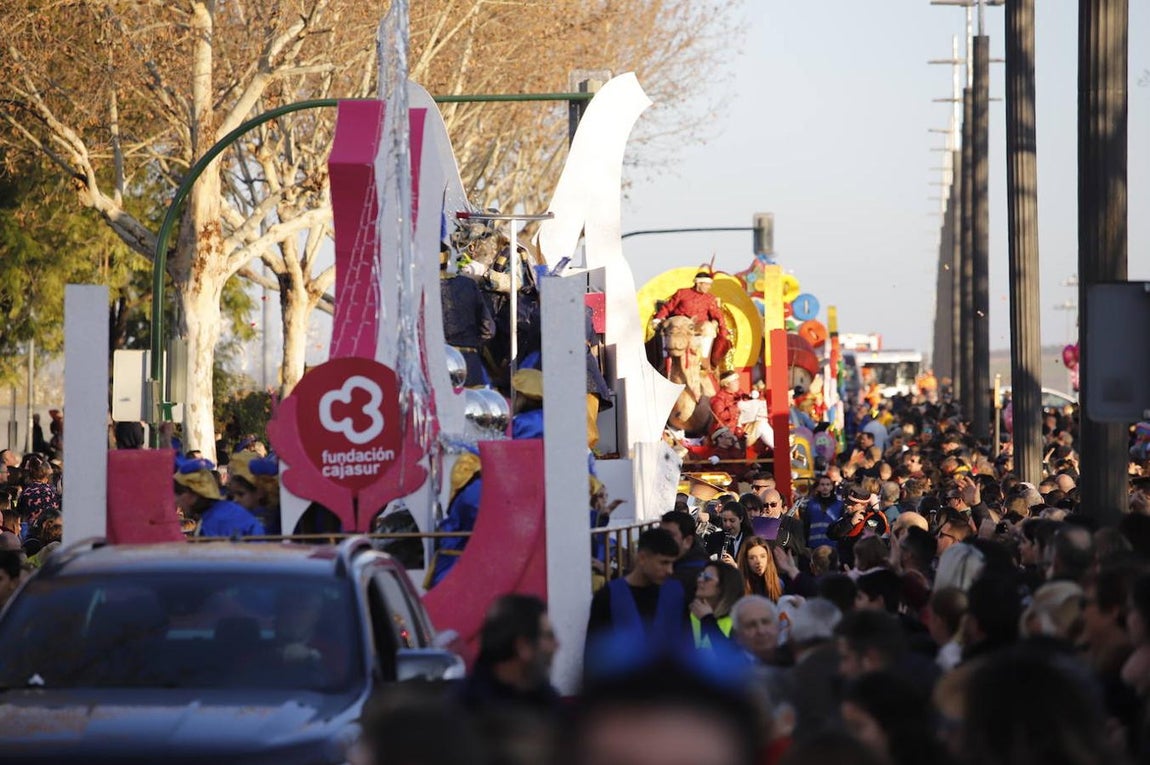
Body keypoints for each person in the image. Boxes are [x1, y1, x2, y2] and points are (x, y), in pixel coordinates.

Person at [586, 528, 685, 650]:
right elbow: (595, 652)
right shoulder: (609, 596)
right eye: (664, 563)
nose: (670, 570)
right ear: (642, 558)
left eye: (672, 564)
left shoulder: (674, 593)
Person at [459, 594, 560, 711]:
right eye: (548, 637)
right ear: (523, 646)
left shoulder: (547, 702)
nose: (557, 645)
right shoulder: (462, 712)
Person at [173, 458, 265, 538]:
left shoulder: (217, 521)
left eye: (178, 494)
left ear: (191, 494)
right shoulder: (218, 513)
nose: (176, 501)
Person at [828, 485, 890, 570]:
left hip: (865, 568)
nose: (848, 506)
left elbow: (866, 543)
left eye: (853, 504)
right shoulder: (849, 516)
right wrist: (850, 524)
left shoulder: (875, 518)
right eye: (847, 502)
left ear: (864, 505)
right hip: (847, 567)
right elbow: (831, 533)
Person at [689, 562, 745, 650]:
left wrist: (708, 620)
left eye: (707, 577)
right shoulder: (691, 614)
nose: (700, 580)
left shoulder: (740, 621)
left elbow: (732, 656)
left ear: (723, 586)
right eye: (700, 575)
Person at [730, 595, 781, 665]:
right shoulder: (727, 672)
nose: (761, 631)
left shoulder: (795, 661)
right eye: (751, 625)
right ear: (738, 634)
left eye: (765, 622)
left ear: (778, 626)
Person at [736, 536, 783, 601]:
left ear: (768, 558)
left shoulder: (779, 583)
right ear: (745, 560)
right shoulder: (738, 586)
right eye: (752, 558)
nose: (758, 561)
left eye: (762, 556)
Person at [804, 474, 843, 553]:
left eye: (828, 484)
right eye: (822, 484)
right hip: (814, 545)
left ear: (832, 487)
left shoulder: (839, 504)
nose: (825, 487)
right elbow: (806, 525)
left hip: (833, 545)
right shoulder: (810, 504)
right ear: (818, 487)